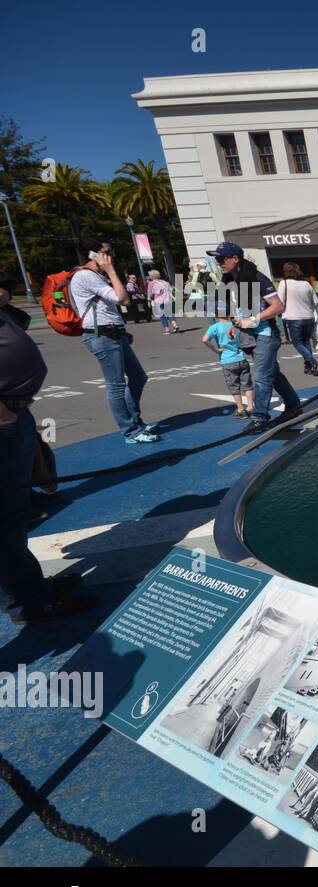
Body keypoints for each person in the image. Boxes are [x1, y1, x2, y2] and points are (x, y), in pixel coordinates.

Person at [0, 295, 96, 624]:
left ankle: (28, 588)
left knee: (13, 515)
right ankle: (29, 602)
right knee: (5, 521)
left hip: (13, 412)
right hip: (4, 418)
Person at [69, 238, 159, 444]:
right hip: (101, 335)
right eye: (106, 252)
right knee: (116, 386)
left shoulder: (96, 276)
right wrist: (111, 271)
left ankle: (135, 420)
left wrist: (121, 329)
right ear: (93, 254)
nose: (111, 256)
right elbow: (123, 299)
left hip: (113, 332)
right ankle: (131, 431)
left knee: (138, 377)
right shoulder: (85, 276)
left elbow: (110, 307)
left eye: (111, 251)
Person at [210, 241, 301, 433]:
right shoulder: (227, 281)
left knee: (261, 375)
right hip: (248, 336)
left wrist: (254, 319)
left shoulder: (257, 278)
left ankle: (260, 417)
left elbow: (278, 306)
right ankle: (293, 404)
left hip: (266, 334)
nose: (219, 263)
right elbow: (235, 310)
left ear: (235, 259)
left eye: (221, 258)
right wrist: (233, 326)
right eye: (217, 259)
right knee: (272, 374)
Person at [201, 311, 254, 419]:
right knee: (247, 384)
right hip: (241, 358)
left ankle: (241, 409)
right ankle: (250, 406)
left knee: (234, 386)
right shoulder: (234, 324)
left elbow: (205, 340)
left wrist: (216, 350)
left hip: (227, 360)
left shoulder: (214, 327)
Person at [277, 263, 318, 376]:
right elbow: (316, 301)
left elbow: (280, 301)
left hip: (293, 317)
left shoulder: (284, 283)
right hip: (308, 316)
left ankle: (313, 362)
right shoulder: (306, 284)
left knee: (297, 343)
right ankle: (309, 366)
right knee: (306, 342)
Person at [146, 269, 177, 333]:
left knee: (161, 315)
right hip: (168, 299)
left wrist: (149, 301)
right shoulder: (165, 282)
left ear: (153, 276)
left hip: (158, 301)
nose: (149, 277)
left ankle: (167, 329)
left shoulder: (151, 283)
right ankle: (174, 324)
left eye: (150, 275)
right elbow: (170, 290)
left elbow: (150, 293)